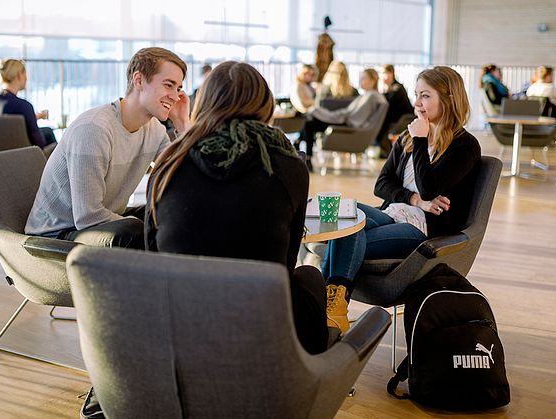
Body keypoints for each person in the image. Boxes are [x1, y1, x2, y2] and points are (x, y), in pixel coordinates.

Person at [145, 61, 329, 354]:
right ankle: (309, 374)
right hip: (261, 327)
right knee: (311, 276)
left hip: (178, 326)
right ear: (265, 104)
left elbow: (152, 251)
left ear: (204, 102)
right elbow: (287, 262)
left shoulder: (169, 162)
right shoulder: (289, 165)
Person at [322, 66, 482, 330]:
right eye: (417, 94)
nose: (417, 103)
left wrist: (422, 140)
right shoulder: (408, 137)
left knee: (347, 234)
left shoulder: (464, 145)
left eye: (426, 96)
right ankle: (332, 307)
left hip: (422, 229)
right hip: (392, 212)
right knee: (345, 214)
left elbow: (429, 187)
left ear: (449, 98)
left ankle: (329, 307)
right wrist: (415, 200)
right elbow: (382, 184)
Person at [24, 47, 190, 250]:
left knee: (170, 213)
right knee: (135, 231)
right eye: (169, 85)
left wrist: (183, 124)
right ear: (139, 80)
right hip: (56, 234)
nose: (175, 96)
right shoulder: (94, 129)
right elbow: (88, 216)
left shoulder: (153, 129)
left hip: (101, 221)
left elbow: (185, 174)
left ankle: (175, 279)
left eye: (179, 88)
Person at [298, 68, 386, 171]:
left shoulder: (372, 96)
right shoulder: (369, 95)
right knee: (310, 123)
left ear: (373, 80)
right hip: (345, 121)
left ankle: (303, 153)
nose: (360, 81)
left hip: (347, 125)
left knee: (309, 124)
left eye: (363, 78)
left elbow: (355, 116)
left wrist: (335, 115)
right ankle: (302, 150)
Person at [0, 58, 57, 155]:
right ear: (19, 75)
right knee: (49, 133)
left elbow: (4, 126)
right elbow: (39, 143)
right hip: (22, 158)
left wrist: (33, 117)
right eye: (25, 74)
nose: (26, 78)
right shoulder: (24, 106)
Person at [377, 64, 414, 158]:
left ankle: (388, 153)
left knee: (383, 128)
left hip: (405, 118)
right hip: (396, 118)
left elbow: (390, 105)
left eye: (386, 73)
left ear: (392, 74)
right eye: (381, 73)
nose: (383, 76)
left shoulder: (397, 88)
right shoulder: (387, 90)